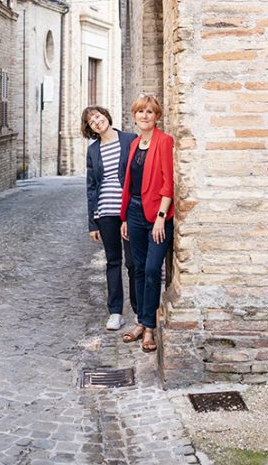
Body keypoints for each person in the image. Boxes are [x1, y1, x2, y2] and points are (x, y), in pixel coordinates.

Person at [119, 93, 174, 353]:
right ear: (134, 116)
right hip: (134, 212)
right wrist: (125, 218)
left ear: (157, 117)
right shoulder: (134, 144)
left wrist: (161, 219)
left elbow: (168, 183)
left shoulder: (164, 142)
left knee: (153, 270)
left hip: (157, 216)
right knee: (138, 270)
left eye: (149, 112)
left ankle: (150, 327)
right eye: (140, 111)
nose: (144, 116)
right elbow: (129, 185)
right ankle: (141, 321)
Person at [83, 105, 137, 332]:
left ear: (106, 116)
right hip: (105, 212)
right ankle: (115, 312)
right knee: (113, 262)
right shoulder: (93, 150)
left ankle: (139, 310)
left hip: (130, 212)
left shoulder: (129, 140)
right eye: (91, 122)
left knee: (134, 263)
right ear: (90, 129)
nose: (96, 121)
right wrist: (92, 221)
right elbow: (91, 186)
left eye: (97, 116)